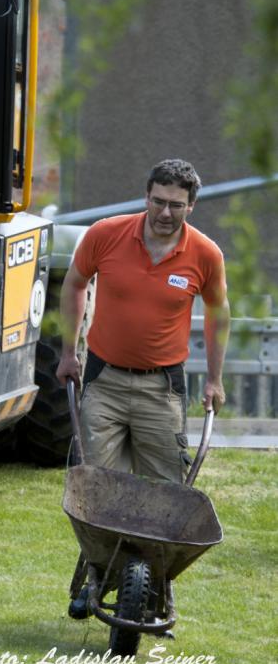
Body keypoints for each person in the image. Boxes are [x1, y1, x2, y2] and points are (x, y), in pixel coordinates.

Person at [56, 159, 231, 619]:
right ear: (146, 196)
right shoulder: (106, 234)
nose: (165, 213)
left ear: (191, 206)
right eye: (158, 201)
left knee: (165, 497)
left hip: (162, 388)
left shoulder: (205, 254)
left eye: (176, 205)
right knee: (97, 491)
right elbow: (74, 284)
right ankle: (95, 579)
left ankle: (154, 594)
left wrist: (214, 378)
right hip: (104, 380)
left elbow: (218, 313)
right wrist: (69, 351)